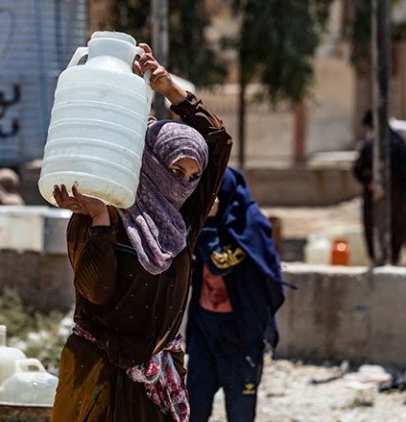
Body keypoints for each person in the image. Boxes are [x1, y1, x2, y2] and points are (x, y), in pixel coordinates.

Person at [49, 43, 233, 422]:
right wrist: (100, 219)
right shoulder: (101, 205)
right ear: (149, 162)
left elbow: (218, 141)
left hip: (158, 378)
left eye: (192, 176)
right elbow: (95, 290)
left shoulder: (182, 222)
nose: (182, 183)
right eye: (173, 170)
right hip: (98, 377)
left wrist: (169, 89)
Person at [186, 167, 285, 422]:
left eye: (214, 192)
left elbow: (221, 261)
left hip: (240, 333)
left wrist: (206, 224)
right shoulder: (196, 224)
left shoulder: (250, 226)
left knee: (240, 411)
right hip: (204, 327)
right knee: (193, 406)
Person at [353, 110, 406, 265]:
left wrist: (371, 183)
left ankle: (381, 258)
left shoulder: (372, 143)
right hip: (396, 195)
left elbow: (357, 169)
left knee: (377, 226)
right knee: (398, 226)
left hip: (380, 194)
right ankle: (393, 258)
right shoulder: (399, 142)